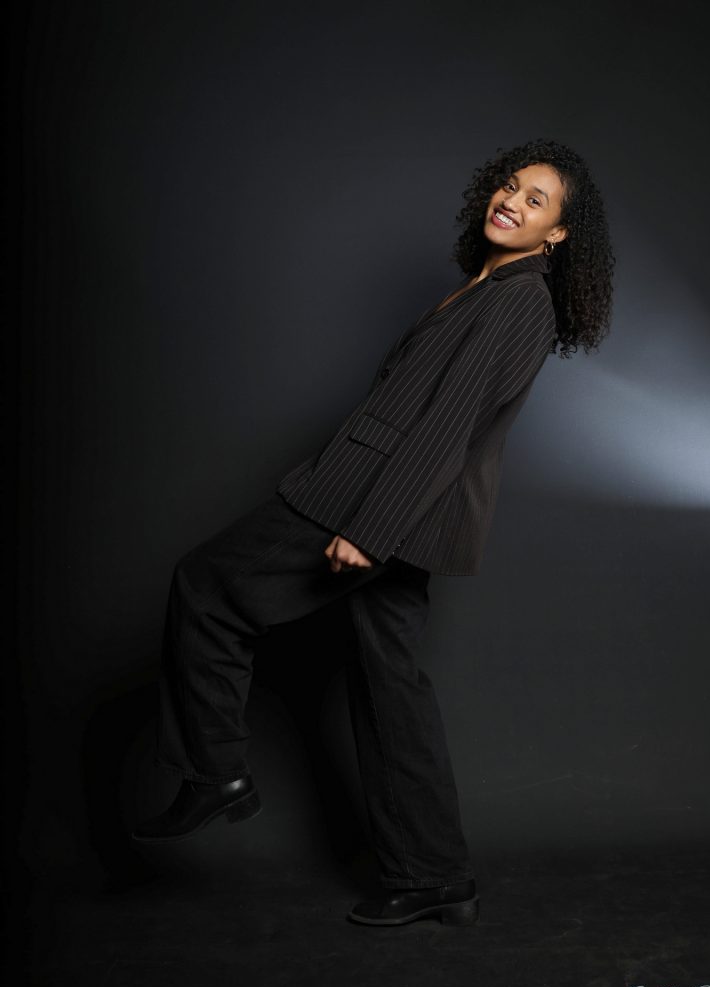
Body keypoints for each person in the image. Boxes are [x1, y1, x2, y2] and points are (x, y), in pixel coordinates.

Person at [131, 138, 615, 927]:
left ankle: (213, 771)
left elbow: (448, 425)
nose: (512, 202)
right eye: (509, 186)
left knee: (206, 586)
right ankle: (435, 875)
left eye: (536, 201)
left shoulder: (519, 301)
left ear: (557, 234)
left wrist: (372, 528)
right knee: (391, 685)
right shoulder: (484, 288)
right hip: (394, 507)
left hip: (367, 502)